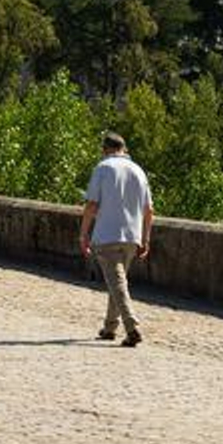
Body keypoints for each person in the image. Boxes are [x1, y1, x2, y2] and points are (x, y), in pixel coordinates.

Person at [79, 131, 154, 347]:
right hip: (132, 236)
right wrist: (145, 238)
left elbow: (92, 205)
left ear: (105, 149)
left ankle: (132, 327)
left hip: (107, 234)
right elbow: (148, 210)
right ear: (124, 148)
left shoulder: (103, 168)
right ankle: (110, 327)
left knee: (117, 282)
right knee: (117, 282)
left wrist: (83, 234)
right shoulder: (139, 171)